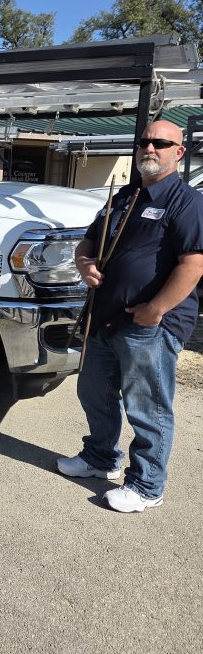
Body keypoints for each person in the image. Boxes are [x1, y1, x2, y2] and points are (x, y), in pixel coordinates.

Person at [57, 119, 203, 513]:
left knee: (147, 406)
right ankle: (99, 458)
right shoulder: (125, 195)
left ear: (179, 152)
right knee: (93, 392)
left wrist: (156, 309)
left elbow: (193, 264)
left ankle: (147, 485)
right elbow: (89, 241)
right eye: (144, 141)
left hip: (149, 325)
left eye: (161, 143)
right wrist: (84, 263)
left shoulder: (187, 202)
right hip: (105, 316)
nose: (150, 148)